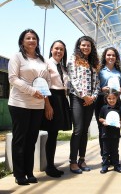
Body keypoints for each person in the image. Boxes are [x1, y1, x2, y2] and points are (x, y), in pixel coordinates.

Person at [8, 29, 50, 185]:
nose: (32, 40)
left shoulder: (42, 60)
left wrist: (45, 94)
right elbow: (13, 78)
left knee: (32, 139)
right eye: (28, 38)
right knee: (20, 139)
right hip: (20, 103)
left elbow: (46, 80)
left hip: (37, 105)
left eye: (34, 38)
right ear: (22, 42)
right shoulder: (17, 57)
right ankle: (19, 174)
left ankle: (29, 171)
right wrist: (32, 91)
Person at [68, 36, 100, 174]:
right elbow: (73, 79)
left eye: (88, 45)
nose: (86, 47)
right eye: (83, 45)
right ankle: (73, 161)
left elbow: (97, 83)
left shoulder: (94, 62)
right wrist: (84, 96)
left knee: (85, 131)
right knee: (78, 129)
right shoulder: (73, 59)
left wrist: (92, 97)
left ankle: (82, 159)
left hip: (90, 101)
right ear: (79, 46)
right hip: (77, 98)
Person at [41, 40, 72, 177]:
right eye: (56, 48)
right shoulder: (46, 64)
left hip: (61, 98)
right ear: (51, 49)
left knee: (54, 134)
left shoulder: (63, 67)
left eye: (62, 49)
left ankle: (51, 165)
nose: (59, 51)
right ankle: (49, 166)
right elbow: (42, 86)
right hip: (51, 97)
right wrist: (47, 105)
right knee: (51, 133)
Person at [94, 47, 121, 163]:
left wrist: (120, 91)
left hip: (116, 102)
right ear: (104, 57)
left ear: (116, 58)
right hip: (102, 101)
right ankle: (105, 157)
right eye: (108, 55)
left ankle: (114, 157)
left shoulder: (119, 73)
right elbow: (95, 86)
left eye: (113, 55)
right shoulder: (100, 71)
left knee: (115, 129)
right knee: (103, 129)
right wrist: (102, 88)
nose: (111, 57)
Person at [99, 89, 121, 174]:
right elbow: (100, 118)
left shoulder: (120, 109)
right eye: (109, 98)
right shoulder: (104, 108)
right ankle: (105, 166)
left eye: (113, 98)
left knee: (115, 150)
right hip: (106, 133)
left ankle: (116, 165)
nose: (111, 100)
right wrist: (104, 121)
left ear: (117, 98)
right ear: (106, 99)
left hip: (115, 134)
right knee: (105, 151)